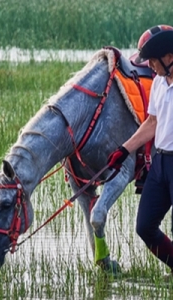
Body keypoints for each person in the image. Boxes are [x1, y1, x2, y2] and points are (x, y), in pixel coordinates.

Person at [108, 24, 173, 275]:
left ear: (169, 57)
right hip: (160, 165)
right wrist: (124, 149)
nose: (150, 66)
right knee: (145, 227)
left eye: (153, 60)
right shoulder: (158, 83)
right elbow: (153, 122)